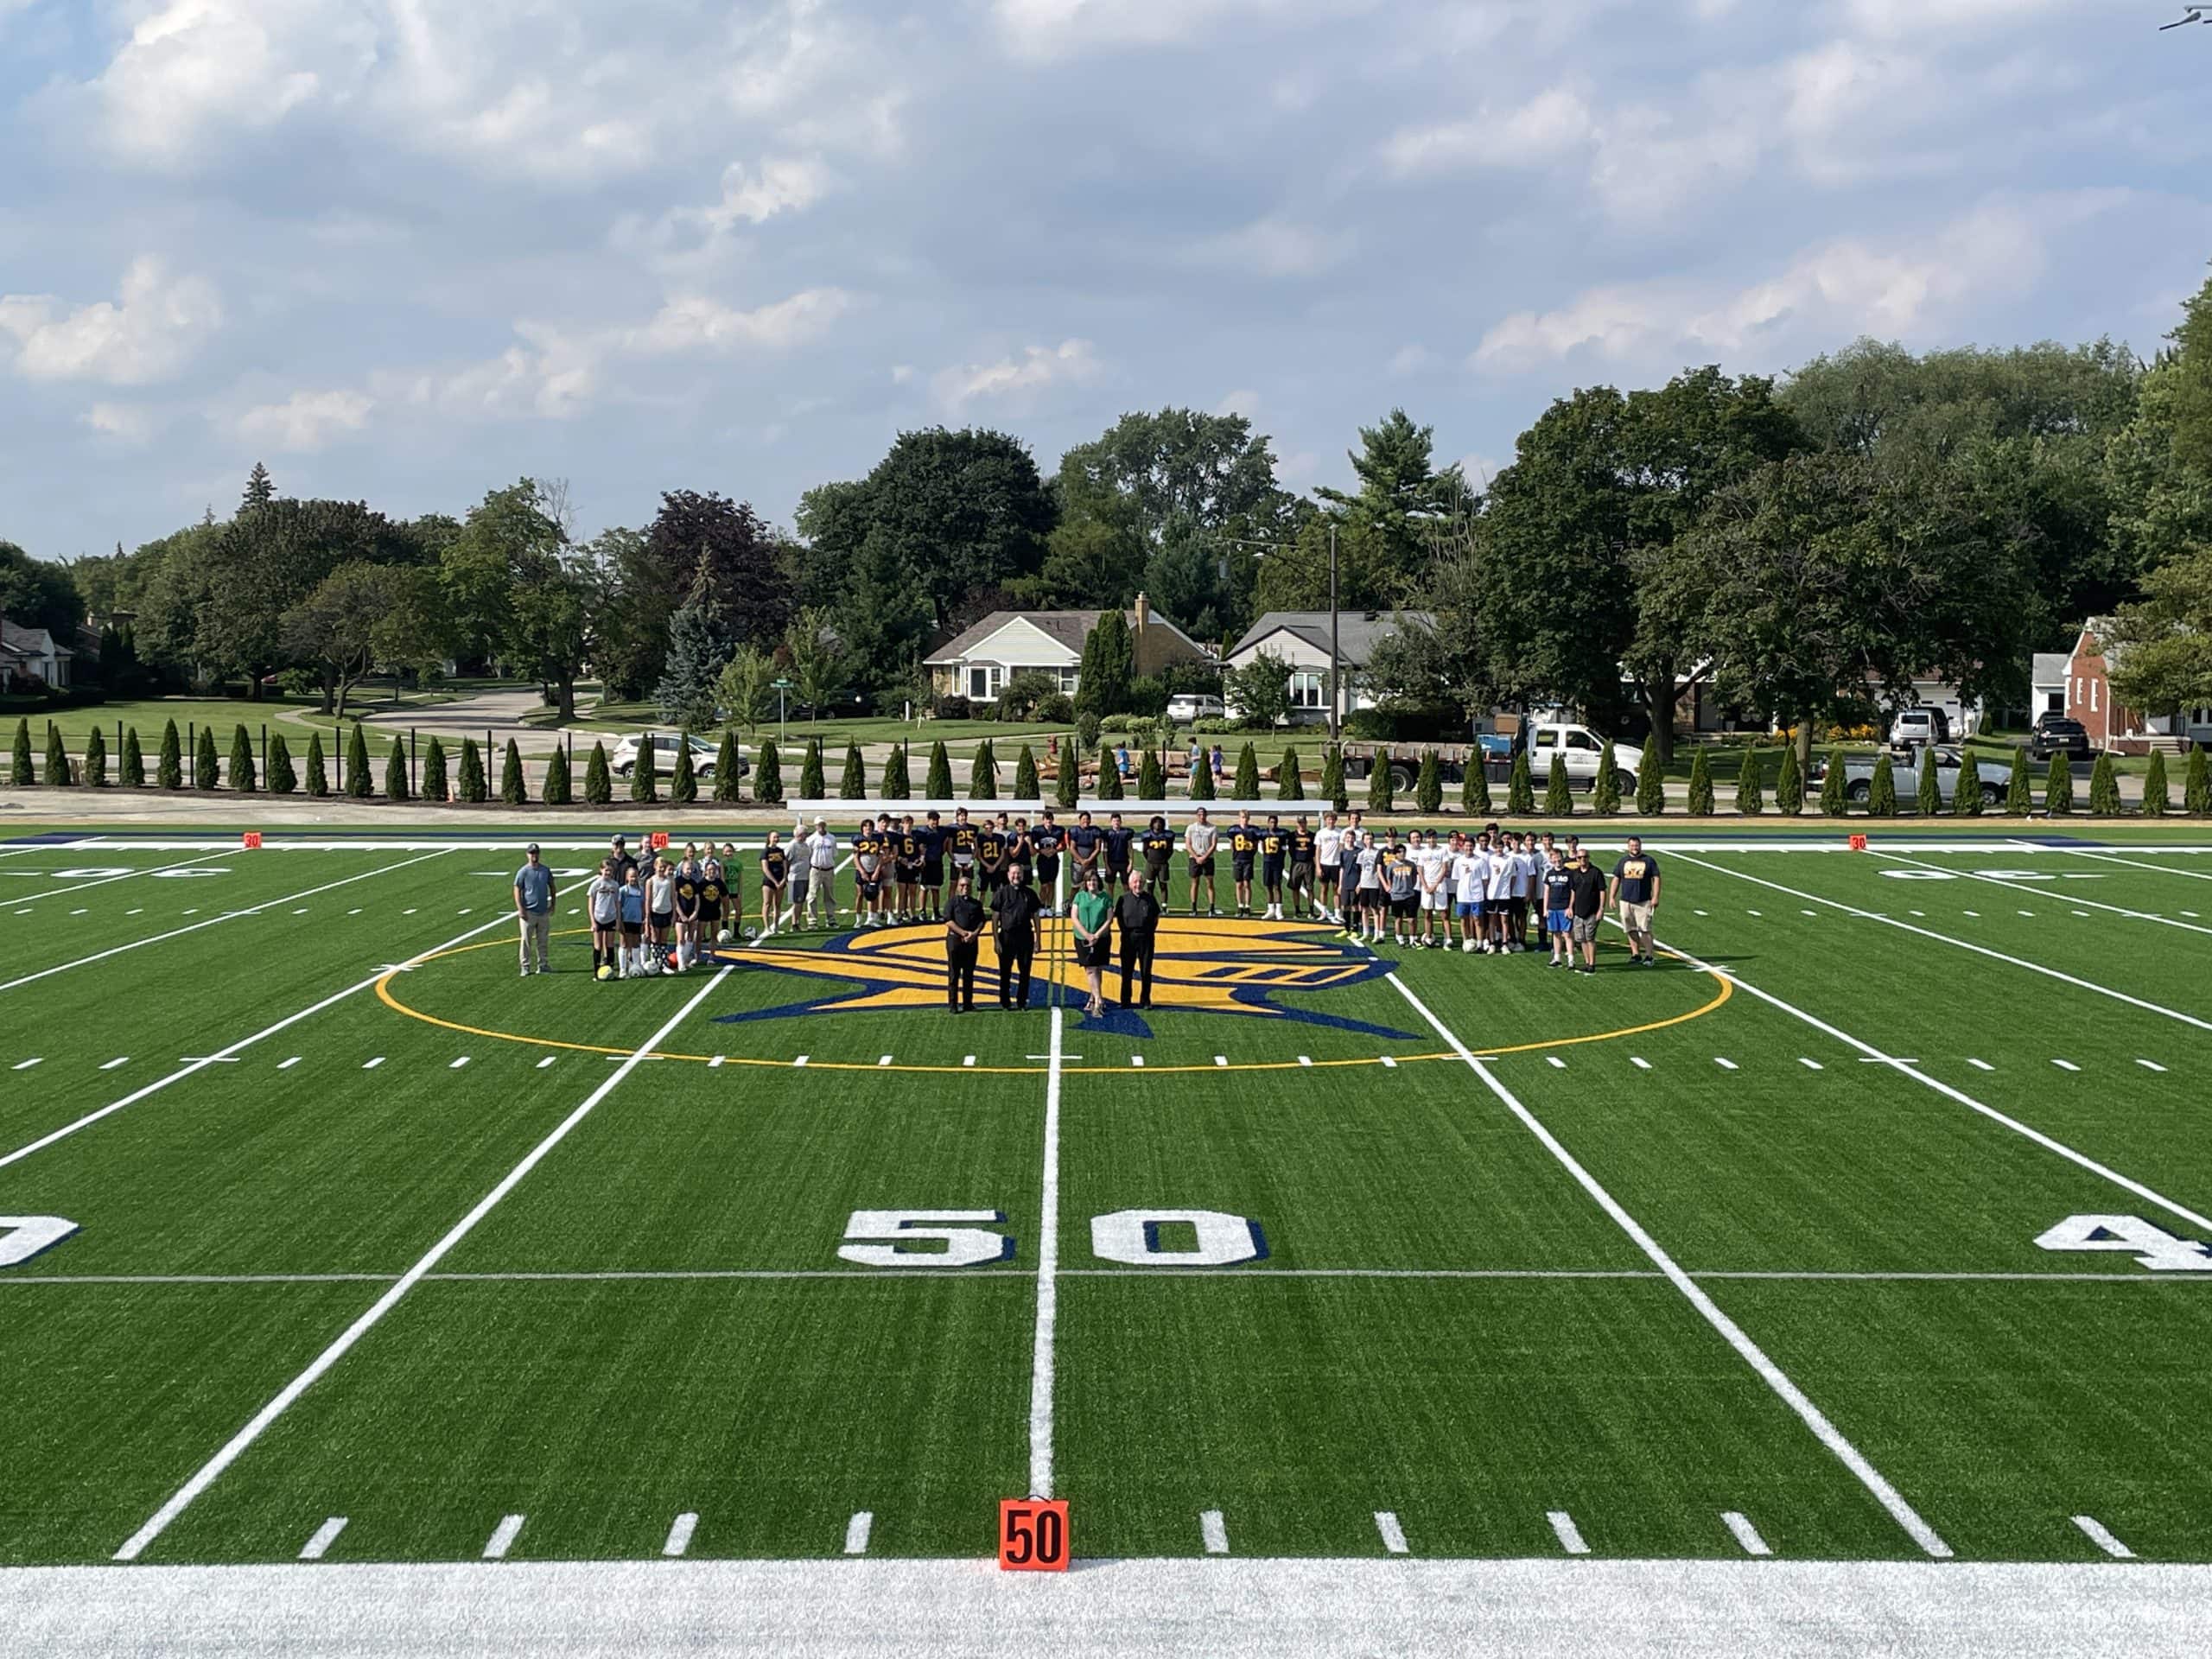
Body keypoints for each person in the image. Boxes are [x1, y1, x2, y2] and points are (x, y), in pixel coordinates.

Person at [993, 861, 1043, 1009]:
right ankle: (1005, 1002)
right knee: (1005, 971)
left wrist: (1038, 940)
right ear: (1008, 875)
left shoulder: (1030, 893)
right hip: (1006, 937)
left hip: (1025, 936)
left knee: (1025, 971)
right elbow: (995, 918)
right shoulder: (1002, 893)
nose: (1016, 876)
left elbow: (1036, 917)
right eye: (1013, 873)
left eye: (1019, 873)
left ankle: (1022, 1001)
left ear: (1023, 874)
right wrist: (996, 941)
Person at [1610, 836, 1663, 965]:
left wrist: (1655, 896)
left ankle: (1649, 956)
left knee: (1645, 929)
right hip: (1626, 900)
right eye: (1632, 845)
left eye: (1636, 845)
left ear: (1640, 846)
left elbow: (1656, 878)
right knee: (1630, 929)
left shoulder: (1648, 860)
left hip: (1643, 901)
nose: (1634, 848)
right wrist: (1612, 897)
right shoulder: (1623, 861)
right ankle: (1635, 954)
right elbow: (1616, 878)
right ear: (1628, 847)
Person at [1071, 869, 1114, 1018]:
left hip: (1101, 938)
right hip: (1082, 938)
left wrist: (1096, 935)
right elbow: (1074, 917)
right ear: (1085, 882)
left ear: (1098, 881)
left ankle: (1093, 997)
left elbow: (1109, 919)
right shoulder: (1080, 896)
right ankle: (1098, 1000)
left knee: (1097, 968)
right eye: (1089, 880)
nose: (1092, 883)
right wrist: (1087, 935)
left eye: (1094, 880)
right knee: (1090, 969)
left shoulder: (1105, 897)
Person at [1115, 870, 1162, 1008]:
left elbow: (1156, 918)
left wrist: (1148, 931)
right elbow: (1119, 918)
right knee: (1127, 970)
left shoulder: (1150, 899)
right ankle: (1125, 1000)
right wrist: (1126, 932)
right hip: (1128, 938)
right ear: (1130, 884)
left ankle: (1145, 1000)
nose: (1138, 884)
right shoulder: (1123, 899)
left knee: (1146, 971)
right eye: (1135, 882)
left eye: (1140, 882)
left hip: (1146, 938)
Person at [512, 843, 557, 977]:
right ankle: (525, 966)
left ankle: (543, 964)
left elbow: (552, 886)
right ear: (527, 854)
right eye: (532, 853)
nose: (534, 855)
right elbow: (517, 889)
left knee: (543, 940)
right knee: (526, 941)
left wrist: (553, 904)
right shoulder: (523, 871)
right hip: (528, 912)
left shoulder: (545, 870)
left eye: (536, 853)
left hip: (543, 911)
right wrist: (520, 908)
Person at [944, 874, 985, 1013]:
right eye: (962, 885)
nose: (965, 888)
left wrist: (974, 934)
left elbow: (982, 921)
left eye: (968, 885)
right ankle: (953, 1004)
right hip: (955, 941)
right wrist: (963, 933)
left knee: (969, 974)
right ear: (957, 887)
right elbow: (948, 921)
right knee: (954, 974)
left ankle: (968, 1003)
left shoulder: (976, 904)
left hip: (971, 942)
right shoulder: (952, 902)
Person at [1567, 848, 1607, 975]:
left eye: (1585, 857)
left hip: (1592, 911)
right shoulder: (1575, 874)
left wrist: (1601, 909)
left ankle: (1592, 964)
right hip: (1578, 911)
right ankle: (1587, 962)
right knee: (1582, 939)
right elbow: (1573, 892)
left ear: (1588, 858)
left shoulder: (1596, 872)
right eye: (1580, 857)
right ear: (1577, 859)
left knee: (1590, 938)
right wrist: (1570, 907)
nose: (1582, 860)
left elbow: (1602, 890)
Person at [587, 858, 624, 981]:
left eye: (610, 871)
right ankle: (596, 973)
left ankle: (610, 970)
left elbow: (617, 903)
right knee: (598, 946)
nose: (608, 873)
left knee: (610, 945)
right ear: (601, 870)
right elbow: (591, 904)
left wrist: (618, 920)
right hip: (598, 918)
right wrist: (593, 921)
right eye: (606, 870)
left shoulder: (615, 885)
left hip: (611, 917)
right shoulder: (596, 884)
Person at [1541, 846, 1574, 968]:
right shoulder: (1549, 874)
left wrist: (1570, 907)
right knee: (1556, 933)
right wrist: (1545, 909)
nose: (1557, 860)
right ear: (1551, 860)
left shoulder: (1569, 873)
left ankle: (1571, 959)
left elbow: (1573, 891)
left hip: (1564, 907)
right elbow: (1546, 891)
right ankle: (1557, 958)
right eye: (1554, 858)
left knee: (1567, 934)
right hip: (1552, 907)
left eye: (1558, 857)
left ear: (1562, 858)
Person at [1452, 833, 1485, 954]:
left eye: (1471, 846)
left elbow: (1485, 879)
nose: (1469, 848)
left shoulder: (1480, 861)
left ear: (1474, 847)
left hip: (1477, 895)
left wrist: (1481, 891)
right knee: (1463, 920)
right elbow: (1456, 878)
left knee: (1477, 920)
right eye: (1467, 846)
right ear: (1463, 847)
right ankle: (1465, 941)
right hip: (1463, 896)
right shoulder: (1458, 861)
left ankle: (1480, 944)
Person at [1384, 837, 1420, 948]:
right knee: (1398, 918)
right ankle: (1400, 938)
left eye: (1404, 851)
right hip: (1397, 896)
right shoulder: (1391, 865)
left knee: (1411, 919)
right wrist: (1392, 888)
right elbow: (1389, 878)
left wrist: (1410, 887)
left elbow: (1414, 877)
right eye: (1400, 852)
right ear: (1395, 854)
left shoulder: (1411, 864)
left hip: (1409, 894)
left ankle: (1412, 938)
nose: (1402, 854)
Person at [806, 816, 839, 929]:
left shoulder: (832, 838)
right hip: (816, 870)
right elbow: (808, 855)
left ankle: (831, 919)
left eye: (822, 824)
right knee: (812, 896)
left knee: (829, 896)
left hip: (829, 869)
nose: (821, 827)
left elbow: (834, 854)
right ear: (815, 826)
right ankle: (812, 921)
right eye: (818, 825)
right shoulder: (811, 839)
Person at [1185, 807, 1218, 916]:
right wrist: (1196, 857)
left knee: (1210, 883)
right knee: (1195, 883)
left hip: (1208, 858)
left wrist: (1204, 857)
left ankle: (1211, 908)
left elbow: (1213, 845)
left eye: (1204, 815)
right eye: (1200, 815)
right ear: (1197, 815)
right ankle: (1194, 908)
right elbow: (1188, 845)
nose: (1202, 817)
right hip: (1194, 858)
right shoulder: (1191, 828)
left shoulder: (1212, 828)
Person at [672, 850, 702, 969]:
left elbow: (697, 900)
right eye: (687, 869)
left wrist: (695, 913)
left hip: (692, 914)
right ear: (682, 869)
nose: (689, 871)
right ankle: (681, 964)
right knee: (680, 939)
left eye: (691, 869)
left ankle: (684, 960)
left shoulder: (694, 883)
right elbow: (675, 900)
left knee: (690, 937)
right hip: (681, 914)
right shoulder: (677, 881)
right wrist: (681, 914)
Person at [1030, 810, 1065, 914]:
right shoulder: (1037, 830)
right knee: (1044, 885)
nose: (1048, 821)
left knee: (1051, 884)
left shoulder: (1059, 830)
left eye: (1050, 819)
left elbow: (1063, 845)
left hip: (1053, 860)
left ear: (1052, 820)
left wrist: (1056, 850)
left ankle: (1049, 907)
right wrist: (1040, 851)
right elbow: (1031, 844)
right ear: (1043, 820)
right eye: (1046, 819)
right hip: (1042, 860)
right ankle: (1041, 906)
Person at [854, 816, 886, 928]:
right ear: (862, 828)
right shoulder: (858, 839)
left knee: (874, 894)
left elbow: (881, 856)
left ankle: (872, 918)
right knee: (860, 894)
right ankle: (858, 919)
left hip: (873, 869)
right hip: (862, 869)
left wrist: (877, 871)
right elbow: (855, 858)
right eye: (866, 826)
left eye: (870, 826)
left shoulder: (878, 839)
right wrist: (862, 871)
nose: (868, 828)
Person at [619, 862, 649, 976]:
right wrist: (620, 921)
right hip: (626, 920)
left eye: (635, 876)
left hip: (637, 921)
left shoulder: (641, 890)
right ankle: (622, 969)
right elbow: (619, 907)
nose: (634, 879)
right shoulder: (623, 890)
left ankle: (636, 966)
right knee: (624, 944)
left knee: (636, 943)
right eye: (631, 876)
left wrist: (644, 919)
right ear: (627, 877)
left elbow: (643, 905)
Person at [646, 856, 676, 971]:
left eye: (663, 867)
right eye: (660, 867)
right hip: (655, 912)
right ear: (655, 867)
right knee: (655, 939)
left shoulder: (670, 881)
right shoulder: (651, 881)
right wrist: (648, 916)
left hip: (667, 912)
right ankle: (654, 963)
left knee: (663, 940)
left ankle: (663, 964)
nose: (662, 869)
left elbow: (673, 897)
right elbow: (648, 899)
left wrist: (674, 914)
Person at [1228, 810, 1259, 918]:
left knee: (1247, 883)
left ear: (1249, 818)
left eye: (1246, 817)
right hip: (1238, 859)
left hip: (1248, 859)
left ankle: (1247, 906)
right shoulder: (1234, 830)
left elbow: (1255, 845)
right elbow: (1232, 844)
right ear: (1239, 818)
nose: (1244, 819)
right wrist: (1235, 855)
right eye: (1242, 817)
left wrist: (1251, 855)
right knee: (1239, 884)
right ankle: (1240, 905)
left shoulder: (1253, 830)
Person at [1314, 811, 1344, 925]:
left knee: (1336, 889)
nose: (1331, 821)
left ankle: (1338, 912)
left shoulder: (1340, 832)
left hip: (1336, 864)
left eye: (1332, 819)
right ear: (1325, 820)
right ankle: (1323, 911)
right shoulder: (1320, 833)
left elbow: (1342, 848)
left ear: (1335, 820)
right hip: (1324, 864)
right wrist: (1318, 866)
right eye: (1328, 819)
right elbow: (1318, 851)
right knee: (1324, 888)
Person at [918, 810, 947, 920]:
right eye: (933, 820)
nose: (935, 822)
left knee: (936, 888)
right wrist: (922, 858)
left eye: (937, 820)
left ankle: (936, 911)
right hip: (926, 862)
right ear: (928, 820)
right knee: (924, 888)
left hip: (937, 861)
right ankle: (922, 911)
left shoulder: (941, 831)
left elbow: (947, 840)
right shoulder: (922, 831)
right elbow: (920, 845)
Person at [1287, 814, 1316, 920]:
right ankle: (1297, 910)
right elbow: (1290, 849)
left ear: (1306, 823)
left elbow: (1314, 850)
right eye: (1300, 823)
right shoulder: (1292, 835)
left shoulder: (1312, 835)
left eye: (1303, 822)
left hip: (1309, 864)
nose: (1301, 825)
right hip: (1297, 863)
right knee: (1295, 888)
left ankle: (1311, 910)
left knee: (1310, 888)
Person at [759, 832, 788, 938]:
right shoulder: (765, 851)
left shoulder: (781, 851)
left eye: (778, 837)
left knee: (778, 905)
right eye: (774, 837)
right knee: (767, 903)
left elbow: (785, 866)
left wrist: (784, 879)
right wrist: (775, 882)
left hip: (781, 881)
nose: (776, 839)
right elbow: (765, 869)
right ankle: (767, 927)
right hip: (769, 882)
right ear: (769, 838)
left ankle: (776, 927)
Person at [1260, 813, 1287, 921]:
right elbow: (1262, 846)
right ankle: (1271, 909)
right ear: (1268, 823)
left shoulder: (1281, 833)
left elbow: (1284, 849)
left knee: (1277, 886)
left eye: (1275, 822)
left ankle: (1279, 910)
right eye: (1271, 822)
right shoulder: (1264, 833)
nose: (1273, 824)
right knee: (1268, 886)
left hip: (1277, 863)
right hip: (1267, 862)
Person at [1140, 813, 1175, 894]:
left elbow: (1170, 850)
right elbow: (1144, 851)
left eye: (1160, 822)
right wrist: (1149, 859)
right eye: (1155, 822)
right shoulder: (1148, 835)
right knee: (1150, 886)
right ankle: (1150, 902)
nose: (1158, 824)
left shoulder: (1167, 835)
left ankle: (1163, 903)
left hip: (1163, 864)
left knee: (1163, 886)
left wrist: (1165, 859)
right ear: (1152, 824)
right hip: (1151, 864)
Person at [700, 849, 728, 945]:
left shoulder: (719, 883)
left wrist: (725, 910)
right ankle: (697, 953)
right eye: (709, 870)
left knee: (714, 936)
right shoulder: (701, 883)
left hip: (715, 911)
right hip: (703, 912)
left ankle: (712, 954)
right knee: (699, 936)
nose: (711, 871)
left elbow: (725, 897)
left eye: (713, 869)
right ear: (705, 871)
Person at [1103, 811, 1135, 889]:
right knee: (1110, 886)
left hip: (1124, 862)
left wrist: (1131, 863)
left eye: (1118, 821)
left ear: (1121, 822)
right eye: (1114, 821)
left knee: (1126, 886)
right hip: (1111, 862)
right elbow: (1105, 850)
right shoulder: (1107, 833)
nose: (1116, 823)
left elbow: (1130, 849)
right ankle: (1110, 898)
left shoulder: (1126, 833)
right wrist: (1106, 865)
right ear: (1111, 822)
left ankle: (1127, 898)